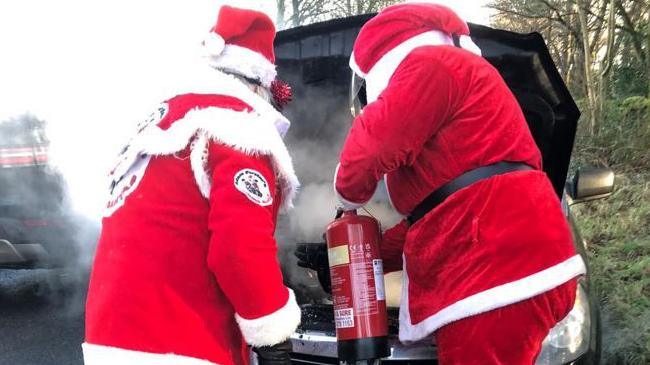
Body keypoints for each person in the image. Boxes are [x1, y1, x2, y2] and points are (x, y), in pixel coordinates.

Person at [303, 2, 586, 364]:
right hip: (512, 268)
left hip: (497, 274)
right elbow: (430, 220)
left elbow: (367, 151)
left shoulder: (433, 64)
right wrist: (341, 254)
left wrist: (347, 202)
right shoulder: (463, 88)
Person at [83, 2, 300, 365]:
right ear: (261, 86)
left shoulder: (160, 130)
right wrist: (273, 335)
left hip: (110, 339)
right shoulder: (238, 130)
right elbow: (240, 248)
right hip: (182, 342)